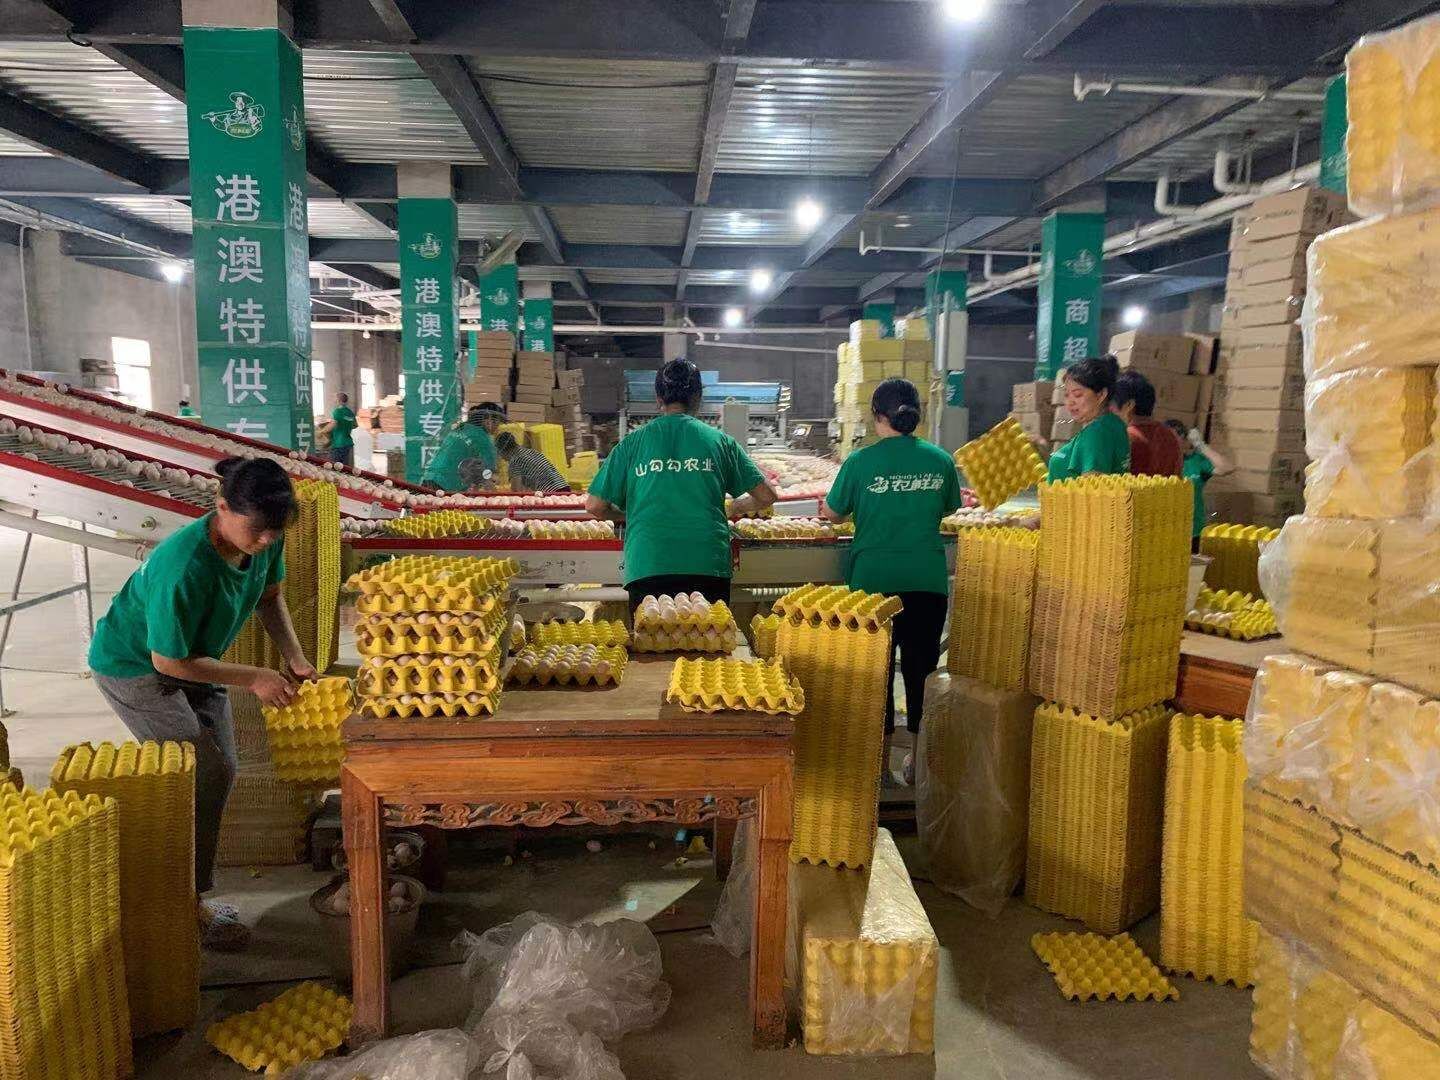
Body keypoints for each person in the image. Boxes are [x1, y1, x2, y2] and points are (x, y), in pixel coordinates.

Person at [87, 457, 315, 951]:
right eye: (257, 529)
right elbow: (168, 661)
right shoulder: (184, 566)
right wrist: (254, 677)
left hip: (196, 656)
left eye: (276, 531)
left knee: (221, 769)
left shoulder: (264, 539)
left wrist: (294, 657)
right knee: (199, 774)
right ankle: (184, 904)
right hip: (136, 667)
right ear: (221, 507)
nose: (266, 540)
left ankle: (190, 890)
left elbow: (268, 597)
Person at [821, 379, 963, 786]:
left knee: (875, 678)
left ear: (877, 416)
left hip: (873, 586)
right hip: (926, 583)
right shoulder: (940, 461)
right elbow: (949, 508)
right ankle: (917, 768)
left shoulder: (860, 462)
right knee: (921, 675)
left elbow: (833, 512)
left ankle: (879, 768)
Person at [586, 359, 777, 611]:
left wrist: (629, 515)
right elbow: (767, 495)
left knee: (651, 634)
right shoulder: (721, 442)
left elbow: (595, 506)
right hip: (706, 563)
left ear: (658, 399)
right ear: (698, 398)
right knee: (710, 634)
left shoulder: (631, 444)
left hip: (649, 562)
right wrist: (735, 507)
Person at [1046, 355, 1131, 481]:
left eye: (1077, 395)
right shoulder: (1115, 424)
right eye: (1067, 395)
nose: (1070, 402)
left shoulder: (1096, 433)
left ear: (1101, 395)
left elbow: (1092, 489)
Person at [1166, 419, 1235, 550]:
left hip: (1193, 532)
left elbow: (1227, 468)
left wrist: (1201, 446)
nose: (1172, 443)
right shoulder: (1157, 462)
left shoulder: (1195, 461)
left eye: (1177, 437)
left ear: (1185, 440)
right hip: (1164, 532)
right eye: (1168, 438)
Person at [1112, 370, 1183, 476]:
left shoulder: (1125, 438)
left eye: (1111, 404)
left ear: (1129, 406)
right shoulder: (1172, 437)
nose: (1110, 411)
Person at [421, 402, 504, 492]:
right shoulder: (483, 438)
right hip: (446, 486)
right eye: (497, 422)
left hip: (428, 478)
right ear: (489, 420)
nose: (498, 426)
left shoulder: (460, 428)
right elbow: (490, 476)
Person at [495, 431, 570, 493]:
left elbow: (516, 491)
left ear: (503, 450)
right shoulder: (532, 452)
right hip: (564, 488)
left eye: (499, 452)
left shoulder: (514, 461)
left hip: (551, 493)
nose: (501, 457)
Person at [327, 392, 358, 468]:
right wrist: (346, 426)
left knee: (335, 468)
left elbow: (332, 425)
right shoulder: (350, 412)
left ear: (338, 400)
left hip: (338, 444)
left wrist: (321, 432)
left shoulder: (337, 411)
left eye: (335, 399)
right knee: (345, 469)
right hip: (348, 443)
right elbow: (355, 425)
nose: (334, 400)